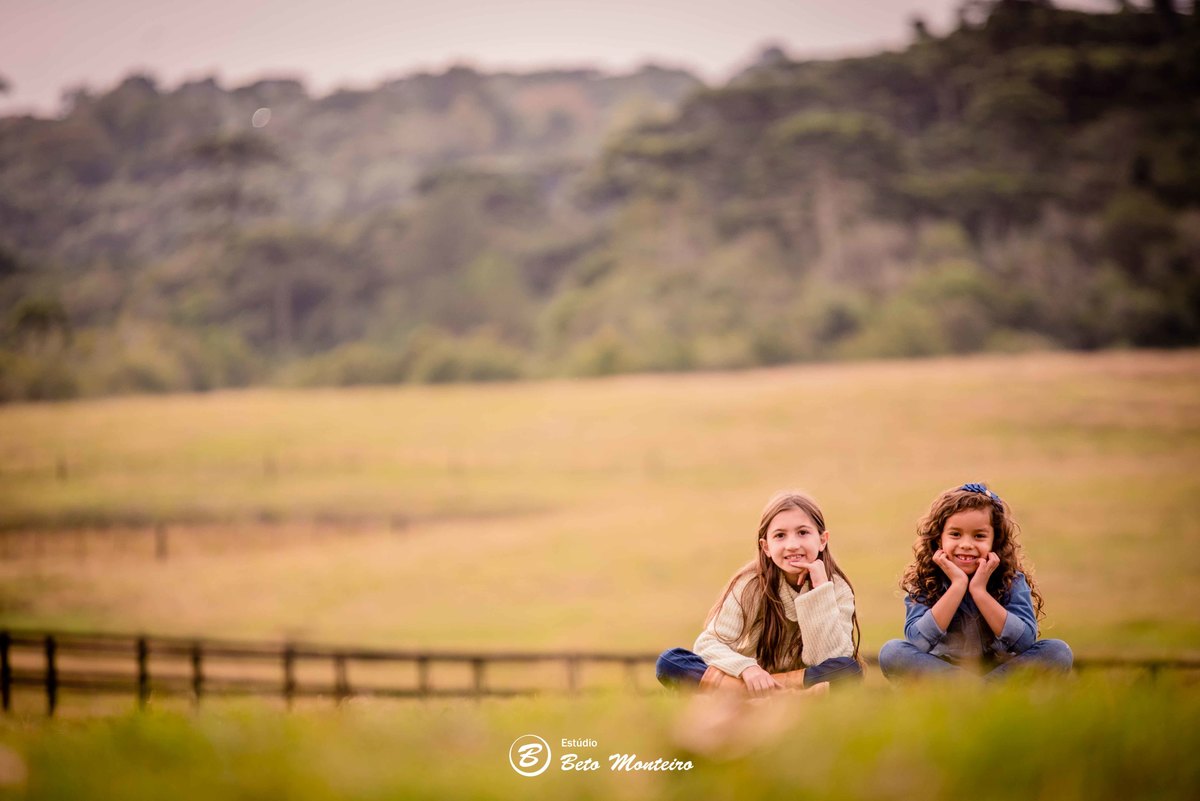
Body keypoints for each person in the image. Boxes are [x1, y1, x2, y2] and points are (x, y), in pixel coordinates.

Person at [656, 490, 863, 696]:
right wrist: (748, 669)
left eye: (803, 532)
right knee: (671, 661)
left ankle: (748, 696)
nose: (792, 545)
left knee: (848, 670)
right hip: (752, 677)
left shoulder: (837, 589)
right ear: (766, 547)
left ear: (822, 540)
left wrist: (819, 592)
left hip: (807, 676)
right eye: (780, 535)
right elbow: (708, 644)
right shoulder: (750, 585)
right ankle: (783, 697)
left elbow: (832, 659)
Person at [879, 482, 1073, 680]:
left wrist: (979, 591)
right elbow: (917, 642)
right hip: (944, 670)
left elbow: (1024, 641)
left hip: (1000, 668)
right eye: (955, 534)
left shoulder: (1011, 579)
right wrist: (957, 586)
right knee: (892, 652)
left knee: (1058, 651)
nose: (966, 545)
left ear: (994, 541)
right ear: (939, 539)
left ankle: (974, 691)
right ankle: (982, 691)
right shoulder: (925, 580)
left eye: (979, 536)